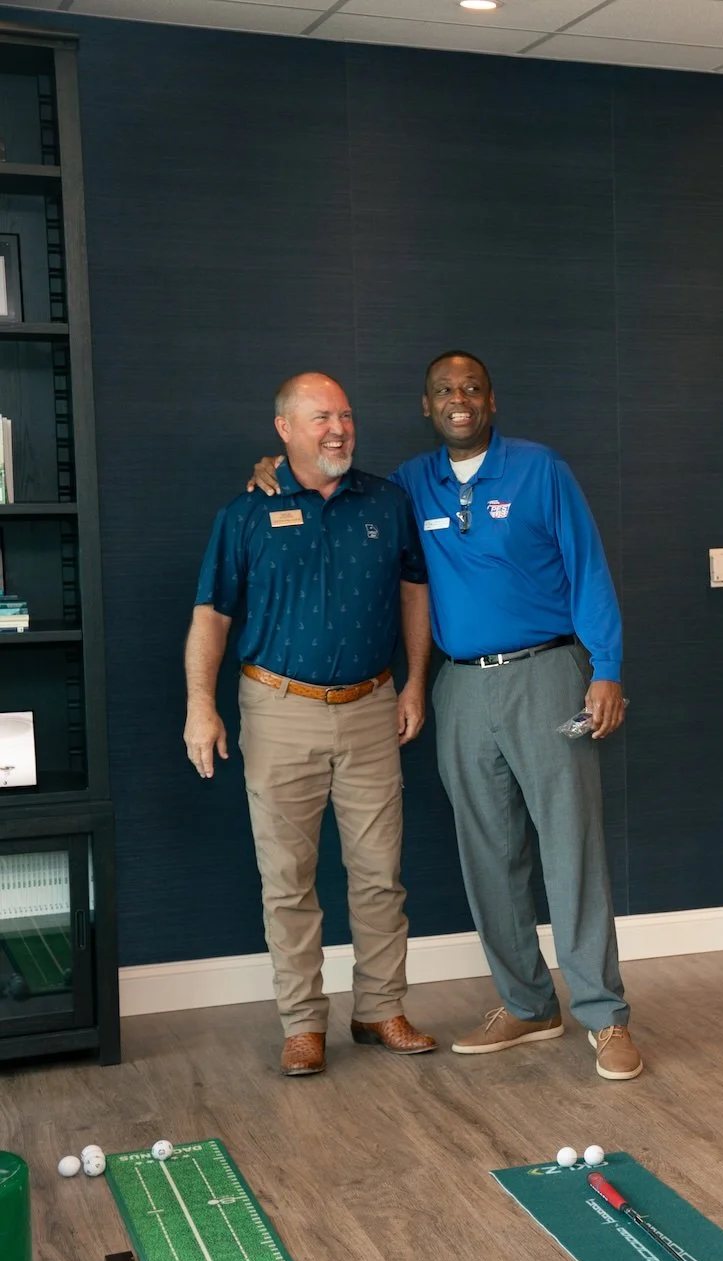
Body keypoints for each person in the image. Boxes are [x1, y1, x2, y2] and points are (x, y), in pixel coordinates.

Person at [250, 351, 640, 1082]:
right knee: (488, 853)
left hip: (550, 674)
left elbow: (589, 568)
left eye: (470, 388)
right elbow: (333, 486)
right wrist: (272, 467)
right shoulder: (407, 485)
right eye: (443, 392)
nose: (458, 400)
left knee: (569, 849)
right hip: (460, 688)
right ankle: (527, 1003)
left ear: (492, 399)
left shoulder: (539, 469)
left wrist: (607, 668)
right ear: (425, 406)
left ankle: (603, 1014)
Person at [185, 372, 436, 1077]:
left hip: (371, 709)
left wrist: (416, 681)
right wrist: (200, 705)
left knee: (380, 876)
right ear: (283, 430)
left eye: (347, 416)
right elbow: (212, 615)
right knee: (288, 880)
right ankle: (302, 1023)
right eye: (321, 416)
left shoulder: (387, 503)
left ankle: (380, 1009)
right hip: (277, 712)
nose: (338, 428)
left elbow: (415, 590)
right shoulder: (246, 512)